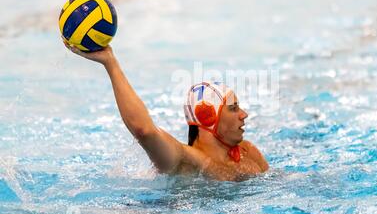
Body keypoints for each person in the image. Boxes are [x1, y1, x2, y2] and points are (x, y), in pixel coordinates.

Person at [62, 40, 269, 181]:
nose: (244, 114)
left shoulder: (248, 152)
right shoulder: (182, 161)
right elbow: (144, 131)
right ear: (208, 117)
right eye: (233, 108)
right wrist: (110, 63)